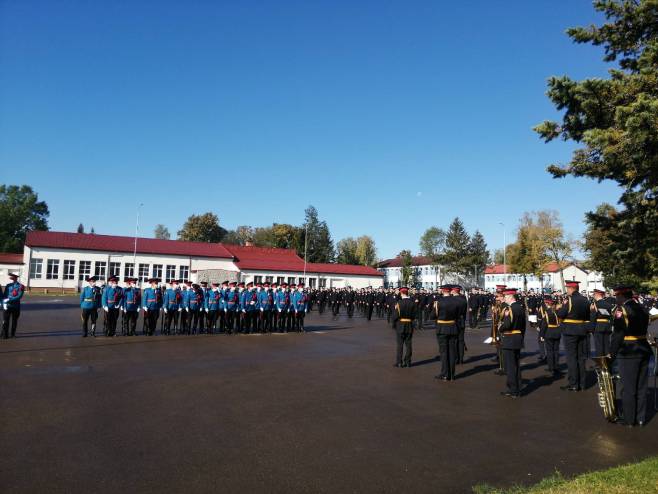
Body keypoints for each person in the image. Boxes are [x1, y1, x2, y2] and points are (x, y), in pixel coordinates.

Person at [609, 285, 652, 427]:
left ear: (621, 296)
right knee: (641, 386)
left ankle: (629, 419)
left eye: (616, 296)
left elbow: (618, 335)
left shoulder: (622, 310)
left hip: (628, 351)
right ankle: (640, 418)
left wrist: (611, 354)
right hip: (643, 349)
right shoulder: (642, 308)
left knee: (628, 388)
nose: (616, 299)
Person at [557, 280, 590, 392]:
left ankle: (574, 383)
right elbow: (588, 315)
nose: (567, 290)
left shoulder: (570, 300)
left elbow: (561, 314)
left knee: (571, 358)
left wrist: (560, 307)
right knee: (581, 358)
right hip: (582, 330)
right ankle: (583, 383)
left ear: (571, 289)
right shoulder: (585, 300)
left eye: (567, 288)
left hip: (570, 331)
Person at [498, 288, 526, 398]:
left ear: (510, 297)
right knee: (516, 365)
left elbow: (507, 325)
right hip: (517, 338)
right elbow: (523, 326)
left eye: (505, 297)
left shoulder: (510, 309)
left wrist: (500, 327)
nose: (504, 299)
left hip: (509, 338)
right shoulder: (520, 307)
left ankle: (513, 390)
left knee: (510, 366)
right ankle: (517, 388)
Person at [433, 285, 460, 381]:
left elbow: (433, 316)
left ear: (443, 291)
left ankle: (445, 374)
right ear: (449, 291)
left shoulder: (438, 302)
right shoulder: (456, 301)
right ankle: (452, 374)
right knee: (452, 351)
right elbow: (458, 315)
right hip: (452, 327)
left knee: (444, 352)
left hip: (442, 328)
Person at [391, 287, 416, 367]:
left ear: (401, 293)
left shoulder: (399, 303)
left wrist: (394, 324)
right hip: (409, 325)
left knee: (400, 345)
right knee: (409, 344)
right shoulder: (412, 303)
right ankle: (408, 362)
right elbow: (414, 315)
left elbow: (395, 316)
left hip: (400, 325)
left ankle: (399, 362)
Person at [538, 295, 562, 377]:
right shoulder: (557, 313)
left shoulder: (547, 313)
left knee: (550, 351)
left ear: (549, 305)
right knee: (556, 350)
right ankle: (556, 366)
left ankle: (551, 367)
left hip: (549, 333)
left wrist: (541, 335)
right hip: (557, 332)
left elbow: (544, 325)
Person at [590, 288, 613, 357]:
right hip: (607, 326)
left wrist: (591, 329)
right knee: (607, 345)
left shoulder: (595, 304)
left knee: (599, 346)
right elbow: (612, 317)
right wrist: (610, 326)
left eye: (594, 294)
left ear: (597, 294)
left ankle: (600, 365)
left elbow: (593, 317)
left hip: (598, 326)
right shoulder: (608, 304)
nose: (593, 296)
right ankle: (608, 363)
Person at [2, 273, 24, 339]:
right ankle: (5, 335)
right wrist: (4, 301)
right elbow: (5, 295)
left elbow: (19, 296)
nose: (11, 278)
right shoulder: (8, 285)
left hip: (15, 306)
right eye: (11, 277)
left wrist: (9, 300)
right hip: (7, 306)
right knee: (6, 321)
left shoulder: (21, 286)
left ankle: (12, 334)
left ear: (16, 277)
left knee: (14, 321)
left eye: (12, 276)